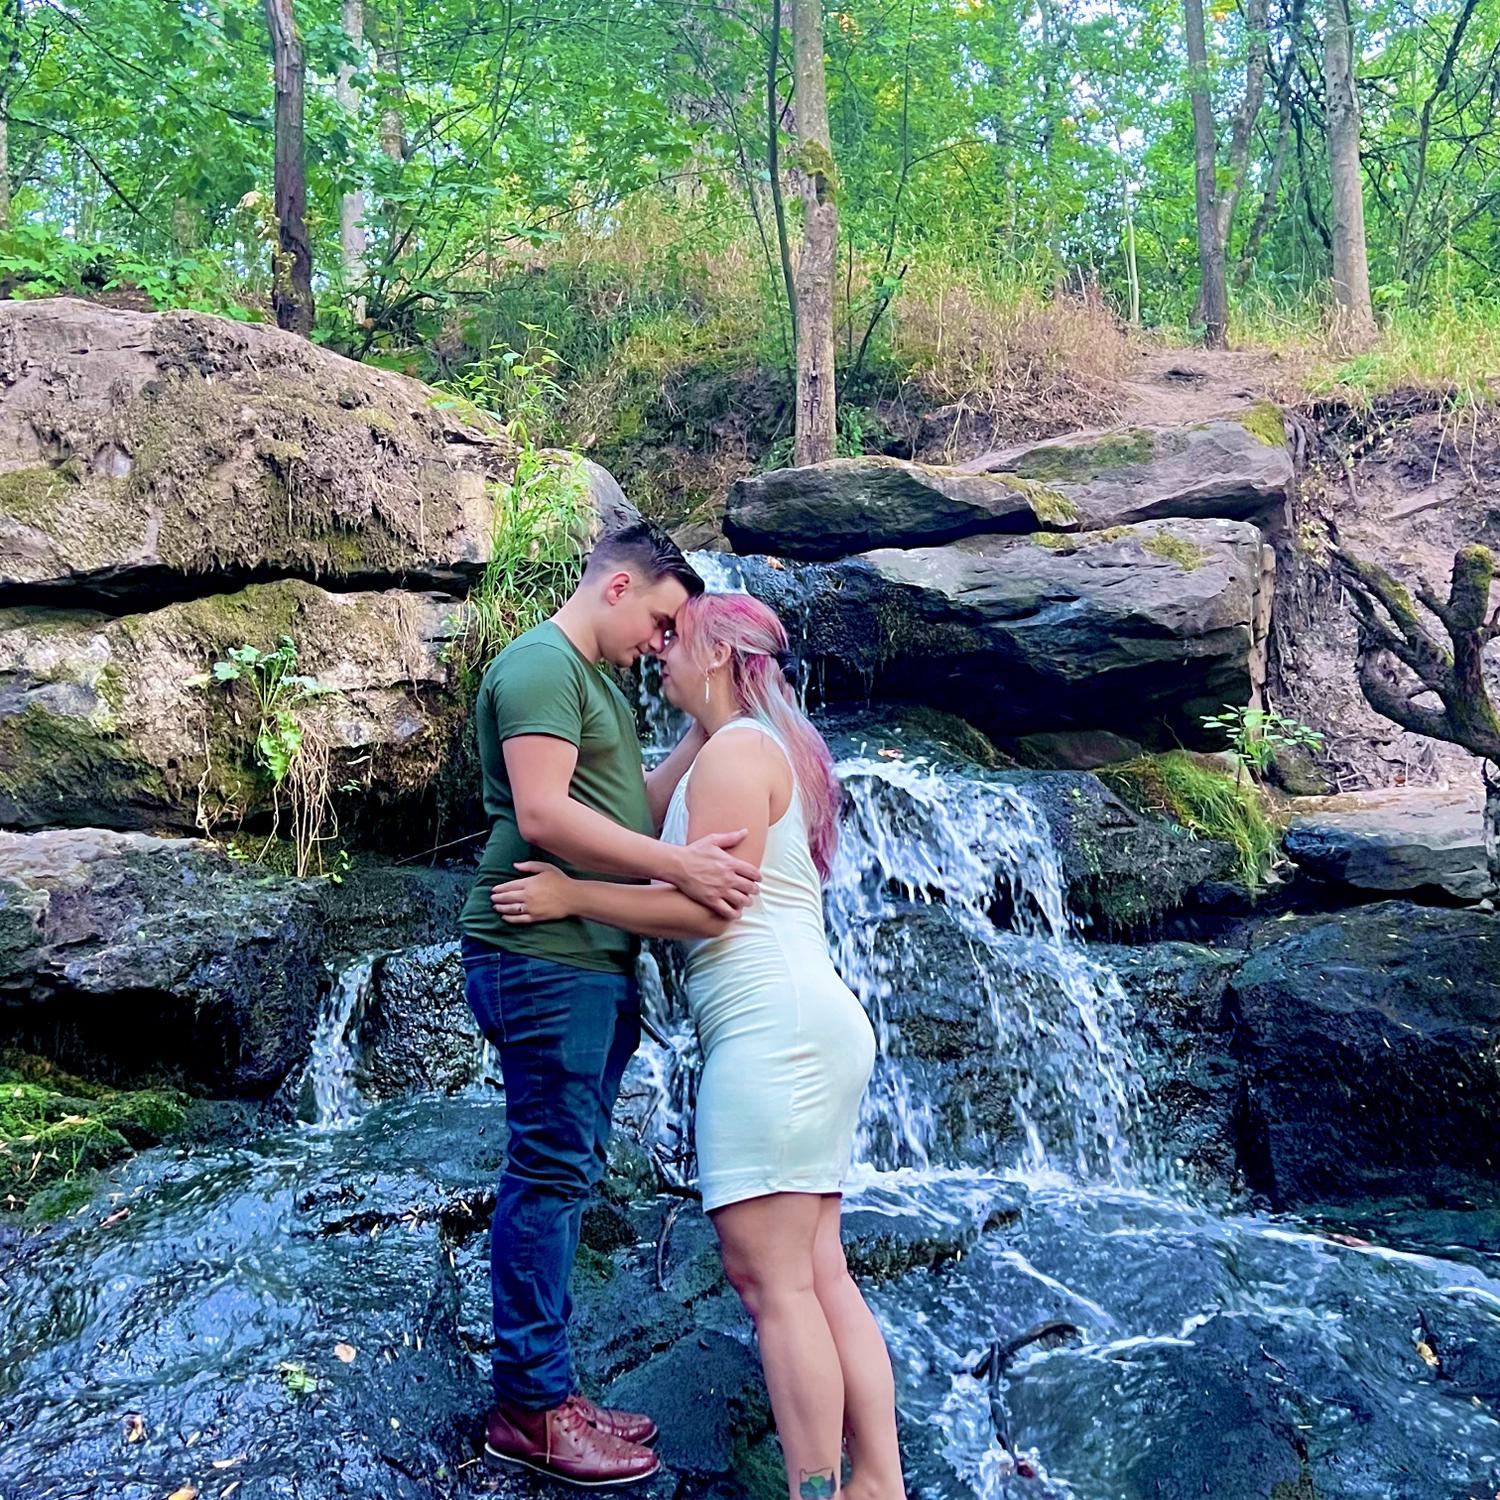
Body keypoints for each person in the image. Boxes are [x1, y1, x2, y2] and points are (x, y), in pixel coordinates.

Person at [490, 592, 907, 1500]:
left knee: (775, 1289)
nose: (659, 649)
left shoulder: (736, 753)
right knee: (819, 1274)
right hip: (808, 1025)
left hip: (772, 1034)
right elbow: (651, 829)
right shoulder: (744, 745)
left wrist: (571, 897)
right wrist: (694, 726)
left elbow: (705, 907)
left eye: (676, 638)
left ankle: (817, 1490)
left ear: (719, 655)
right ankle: (876, 1481)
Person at [459, 521, 764, 1487]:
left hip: (586, 957)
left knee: (567, 1170)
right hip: (538, 954)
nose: (663, 644)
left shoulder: (592, 684)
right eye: (663, 623)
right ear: (619, 586)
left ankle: (550, 1388)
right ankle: (530, 1409)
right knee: (547, 1172)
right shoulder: (541, 667)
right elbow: (544, 814)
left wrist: (704, 726)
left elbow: (632, 804)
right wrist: (680, 868)